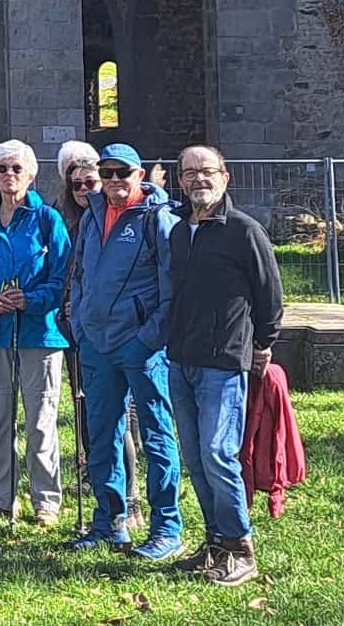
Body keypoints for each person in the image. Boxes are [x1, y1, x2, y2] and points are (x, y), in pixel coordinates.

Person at [166, 145, 284, 586]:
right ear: (180, 180)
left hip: (224, 361)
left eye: (207, 171)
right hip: (181, 360)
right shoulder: (179, 231)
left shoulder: (244, 231)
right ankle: (215, 542)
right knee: (195, 458)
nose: (199, 179)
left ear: (225, 177)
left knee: (218, 453)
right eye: (190, 172)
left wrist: (264, 344)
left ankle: (240, 547)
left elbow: (269, 296)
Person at [68, 142, 182, 560]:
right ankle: (108, 522)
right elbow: (79, 274)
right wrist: (78, 321)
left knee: (155, 435)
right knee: (101, 436)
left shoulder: (158, 219)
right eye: (108, 172)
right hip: (96, 344)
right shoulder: (91, 215)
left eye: (124, 173)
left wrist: (149, 337)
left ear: (139, 176)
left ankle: (166, 526)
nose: (115, 180)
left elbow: (173, 286)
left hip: (140, 347)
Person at [0, 140, 70, 525]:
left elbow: (63, 276)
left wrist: (33, 298)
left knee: (41, 420)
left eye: (16, 169)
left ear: (31, 174)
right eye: (2, 169)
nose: (9, 175)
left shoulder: (47, 220)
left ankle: (46, 501)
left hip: (40, 334)